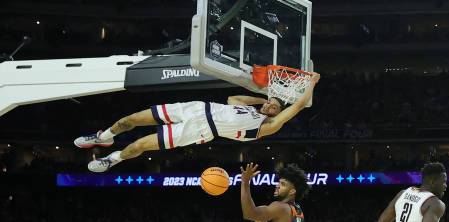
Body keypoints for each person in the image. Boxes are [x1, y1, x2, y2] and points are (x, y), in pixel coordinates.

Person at [75, 74, 320, 172]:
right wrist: (262, 98)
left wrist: (311, 84)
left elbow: (297, 106)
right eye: (269, 104)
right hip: (194, 107)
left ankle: (112, 159)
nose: (269, 106)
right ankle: (103, 136)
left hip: (200, 130)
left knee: (140, 145)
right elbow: (232, 98)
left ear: (277, 113)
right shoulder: (248, 108)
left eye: (274, 107)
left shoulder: (268, 126)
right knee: (132, 119)